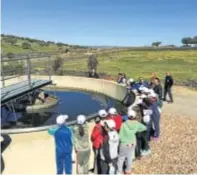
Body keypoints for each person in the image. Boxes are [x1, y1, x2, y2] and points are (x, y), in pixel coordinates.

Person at [117, 110, 146, 174]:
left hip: (124, 143)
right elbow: (144, 128)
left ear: (128, 116)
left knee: (121, 158)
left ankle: (119, 172)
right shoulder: (137, 123)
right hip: (133, 142)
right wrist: (137, 130)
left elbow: (120, 135)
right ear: (134, 116)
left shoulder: (124, 124)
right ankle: (128, 171)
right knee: (129, 157)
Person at [91, 109, 107, 174]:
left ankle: (96, 171)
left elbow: (93, 136)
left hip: (98, 144)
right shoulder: (107, 123)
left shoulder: (98, 126)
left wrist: (92, 140)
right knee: (103, 158)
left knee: (97, 158)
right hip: (105, 143)